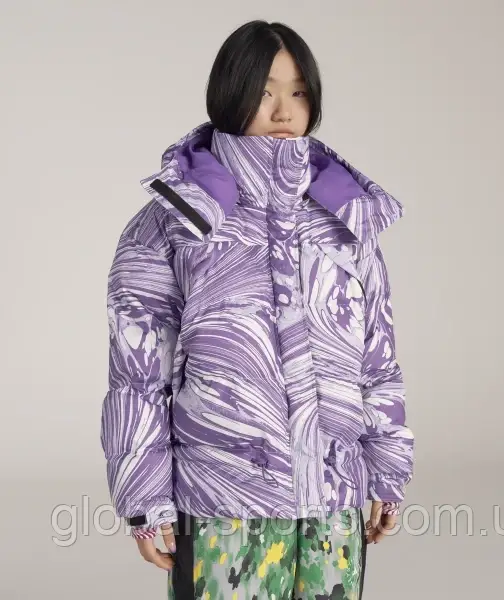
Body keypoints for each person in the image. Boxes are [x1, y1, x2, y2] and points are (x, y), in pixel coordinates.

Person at [100, 19, 414, 600]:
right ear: (230, 93)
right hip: (224, 503)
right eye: (265, 92)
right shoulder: (172, 226)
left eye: (299, 92)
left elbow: (377, 360)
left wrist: (388, 470)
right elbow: (138, 378)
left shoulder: (344, 222)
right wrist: (145, 499)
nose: (284, 110)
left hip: (333, 502)